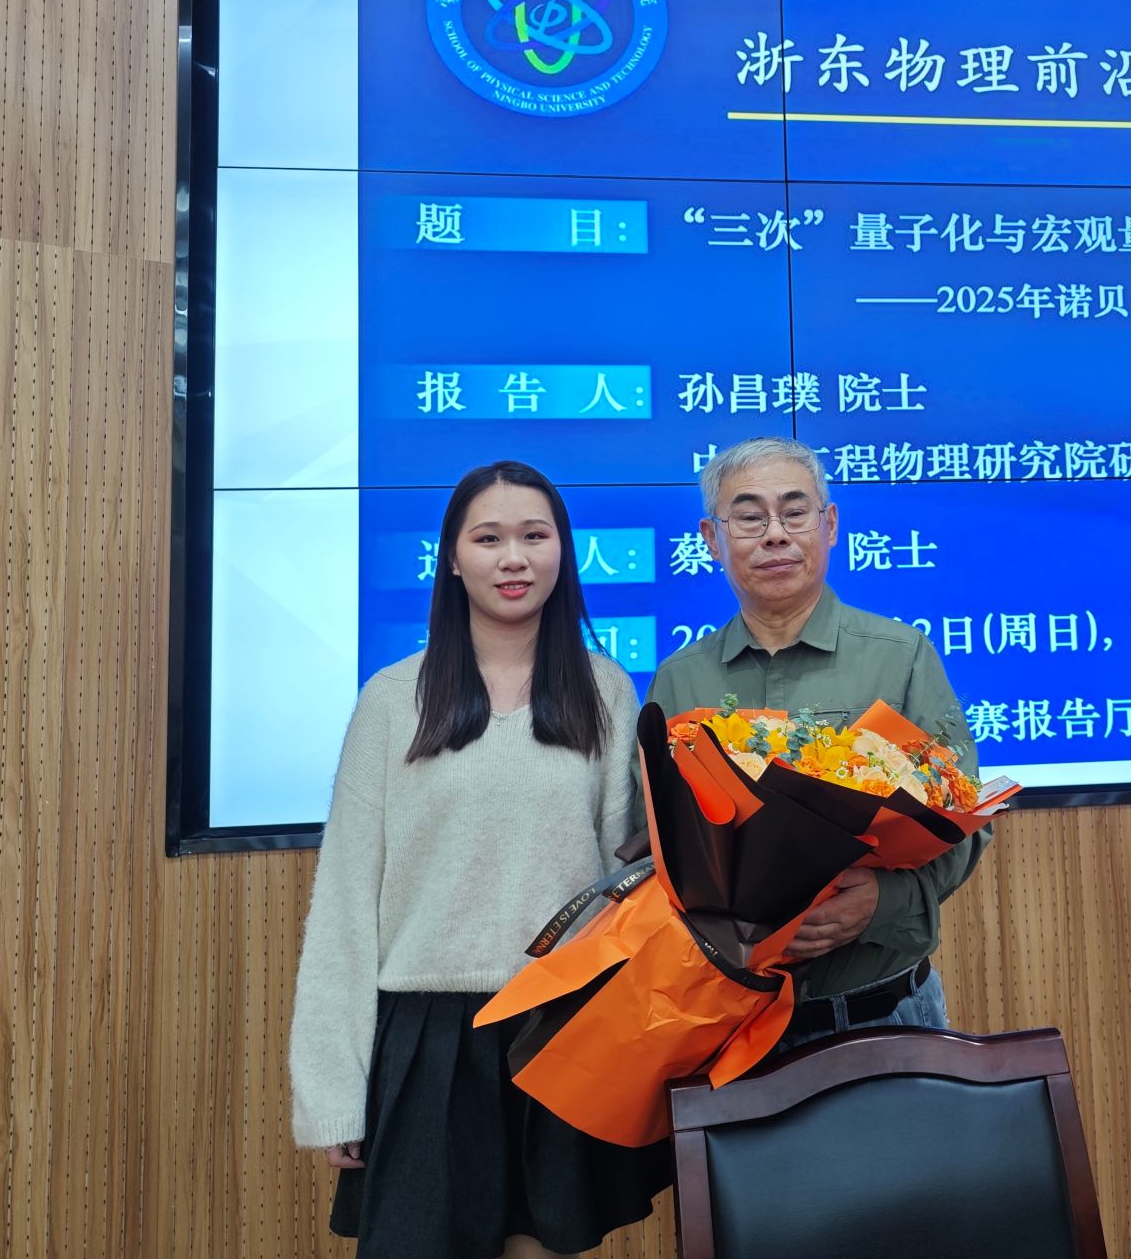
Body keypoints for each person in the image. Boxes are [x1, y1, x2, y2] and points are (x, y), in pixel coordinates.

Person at [289, 461, 667, 1259]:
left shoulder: (605, 692)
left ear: (563, 551)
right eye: (488, 539)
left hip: (561, 1024)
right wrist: (333, 1089)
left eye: (535, 536)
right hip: (427, 1034)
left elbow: (626, 892)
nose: (514, 558)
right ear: (453, 559)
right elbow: (346, 902)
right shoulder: (392, 699)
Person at [646, 436, 989, 1050]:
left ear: (829, 525)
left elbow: (963, 816)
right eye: (749, 518)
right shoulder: (680, 680)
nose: (775, 535)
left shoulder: (901, 656)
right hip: (732, 1020)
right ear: (711, 539)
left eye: (794, 512)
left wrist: (882, 901)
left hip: (882, 1011)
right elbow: (656, 839)